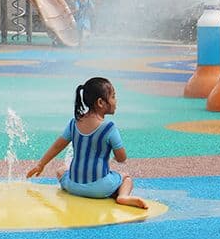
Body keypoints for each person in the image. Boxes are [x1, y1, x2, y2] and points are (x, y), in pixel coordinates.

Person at [26, 77, 147, 209]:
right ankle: (123, 196)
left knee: (61, 170)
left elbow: (57, 146)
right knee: (125, 178)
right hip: (100, 188)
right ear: (101, 102)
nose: (116, 101)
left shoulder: (74, 123)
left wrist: (41, 164)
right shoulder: (109, 128)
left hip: (73, 186)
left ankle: (89, 187)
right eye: (113, 97)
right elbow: (122, 158)